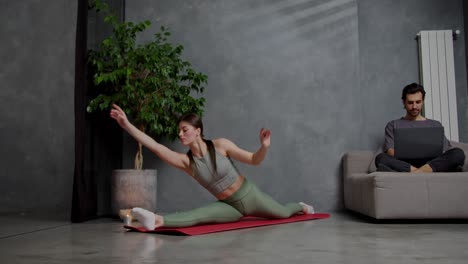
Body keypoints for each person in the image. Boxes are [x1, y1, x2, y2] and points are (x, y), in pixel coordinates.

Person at [110, 104, 315, 230]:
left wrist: (264, 147)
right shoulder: (187, 163)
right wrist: (127, 124)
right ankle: (156, 220)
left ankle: (301, 206)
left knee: (282, 213)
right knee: (198, 216)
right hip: (228, 206)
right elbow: (155, 147)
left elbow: (254, 160)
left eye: (185, 130)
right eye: (179, 131)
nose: (180, 134)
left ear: (197, 131)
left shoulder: (221, 145)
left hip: (250, 196)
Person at [375, 83, 465, 173]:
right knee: (380, 158)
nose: (414, 106)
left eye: (418, 102)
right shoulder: (393, 125)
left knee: (458, 153)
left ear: (423, 101)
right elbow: (390, 152)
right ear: (404, 102)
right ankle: (419, 171)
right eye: (410, 103)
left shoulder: (435, 125)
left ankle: (417, 172)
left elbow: (445, 151)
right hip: (405, 163)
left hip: (432, 163)